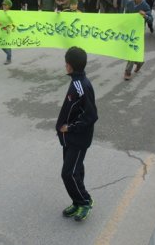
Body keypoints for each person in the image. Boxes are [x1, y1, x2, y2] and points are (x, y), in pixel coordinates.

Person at [56, 46, 98, 222]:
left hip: (78, 138)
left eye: (66, 63)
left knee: (68, 173)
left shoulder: (81, 86)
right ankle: (76, 201)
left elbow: (91, 115)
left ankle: (85, 201)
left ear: (69, 66)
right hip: (69, 139)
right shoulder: (76, 82)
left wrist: (70, 127)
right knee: (75, 169)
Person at [123, 0, 153, 80]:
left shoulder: (145, 6)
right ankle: (139, 62)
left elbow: (151, 19)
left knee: (132, 50)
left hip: (138, 32)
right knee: (129, 50)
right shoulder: (129, 4)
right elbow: (126, 16)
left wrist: (145, 16)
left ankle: (128, 72)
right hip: (129, 31)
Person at [1, 0, 13, 64]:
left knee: (7, 45)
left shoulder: (11, 13)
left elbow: (12, 22)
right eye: (3, 5)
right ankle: (9, 55)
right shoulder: (1, 12)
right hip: (2, 31)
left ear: (9, 6)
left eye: (5, 5)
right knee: (1, 45)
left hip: (8, 31)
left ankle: (9, 58)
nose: (4, 6)